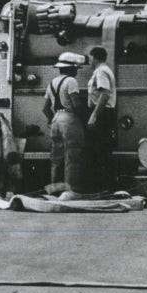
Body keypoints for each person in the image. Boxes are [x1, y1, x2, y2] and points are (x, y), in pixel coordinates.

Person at [42, 51, 86, 192]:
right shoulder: (71, 81)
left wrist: (51, 120)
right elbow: (76, 104)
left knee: (56, 158)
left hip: (56, 119)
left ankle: (54, 189)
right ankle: (71, 190)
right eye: (76, 69)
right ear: (71, 68)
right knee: (72, 157)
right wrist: (85, 118)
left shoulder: (52, 83)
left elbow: (45, 108)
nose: (77, 72)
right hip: (69, 119)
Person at [86, 46, 117, 191]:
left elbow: (104, 94)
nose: (88, 60)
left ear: (94, 57)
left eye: (89, 57)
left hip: (102, 114)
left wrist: (94, 115)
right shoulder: (103, 70)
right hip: (103, 113)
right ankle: (104, 185)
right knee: (101, 150)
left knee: (99, 150)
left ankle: (103, 186)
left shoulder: (101, 72)